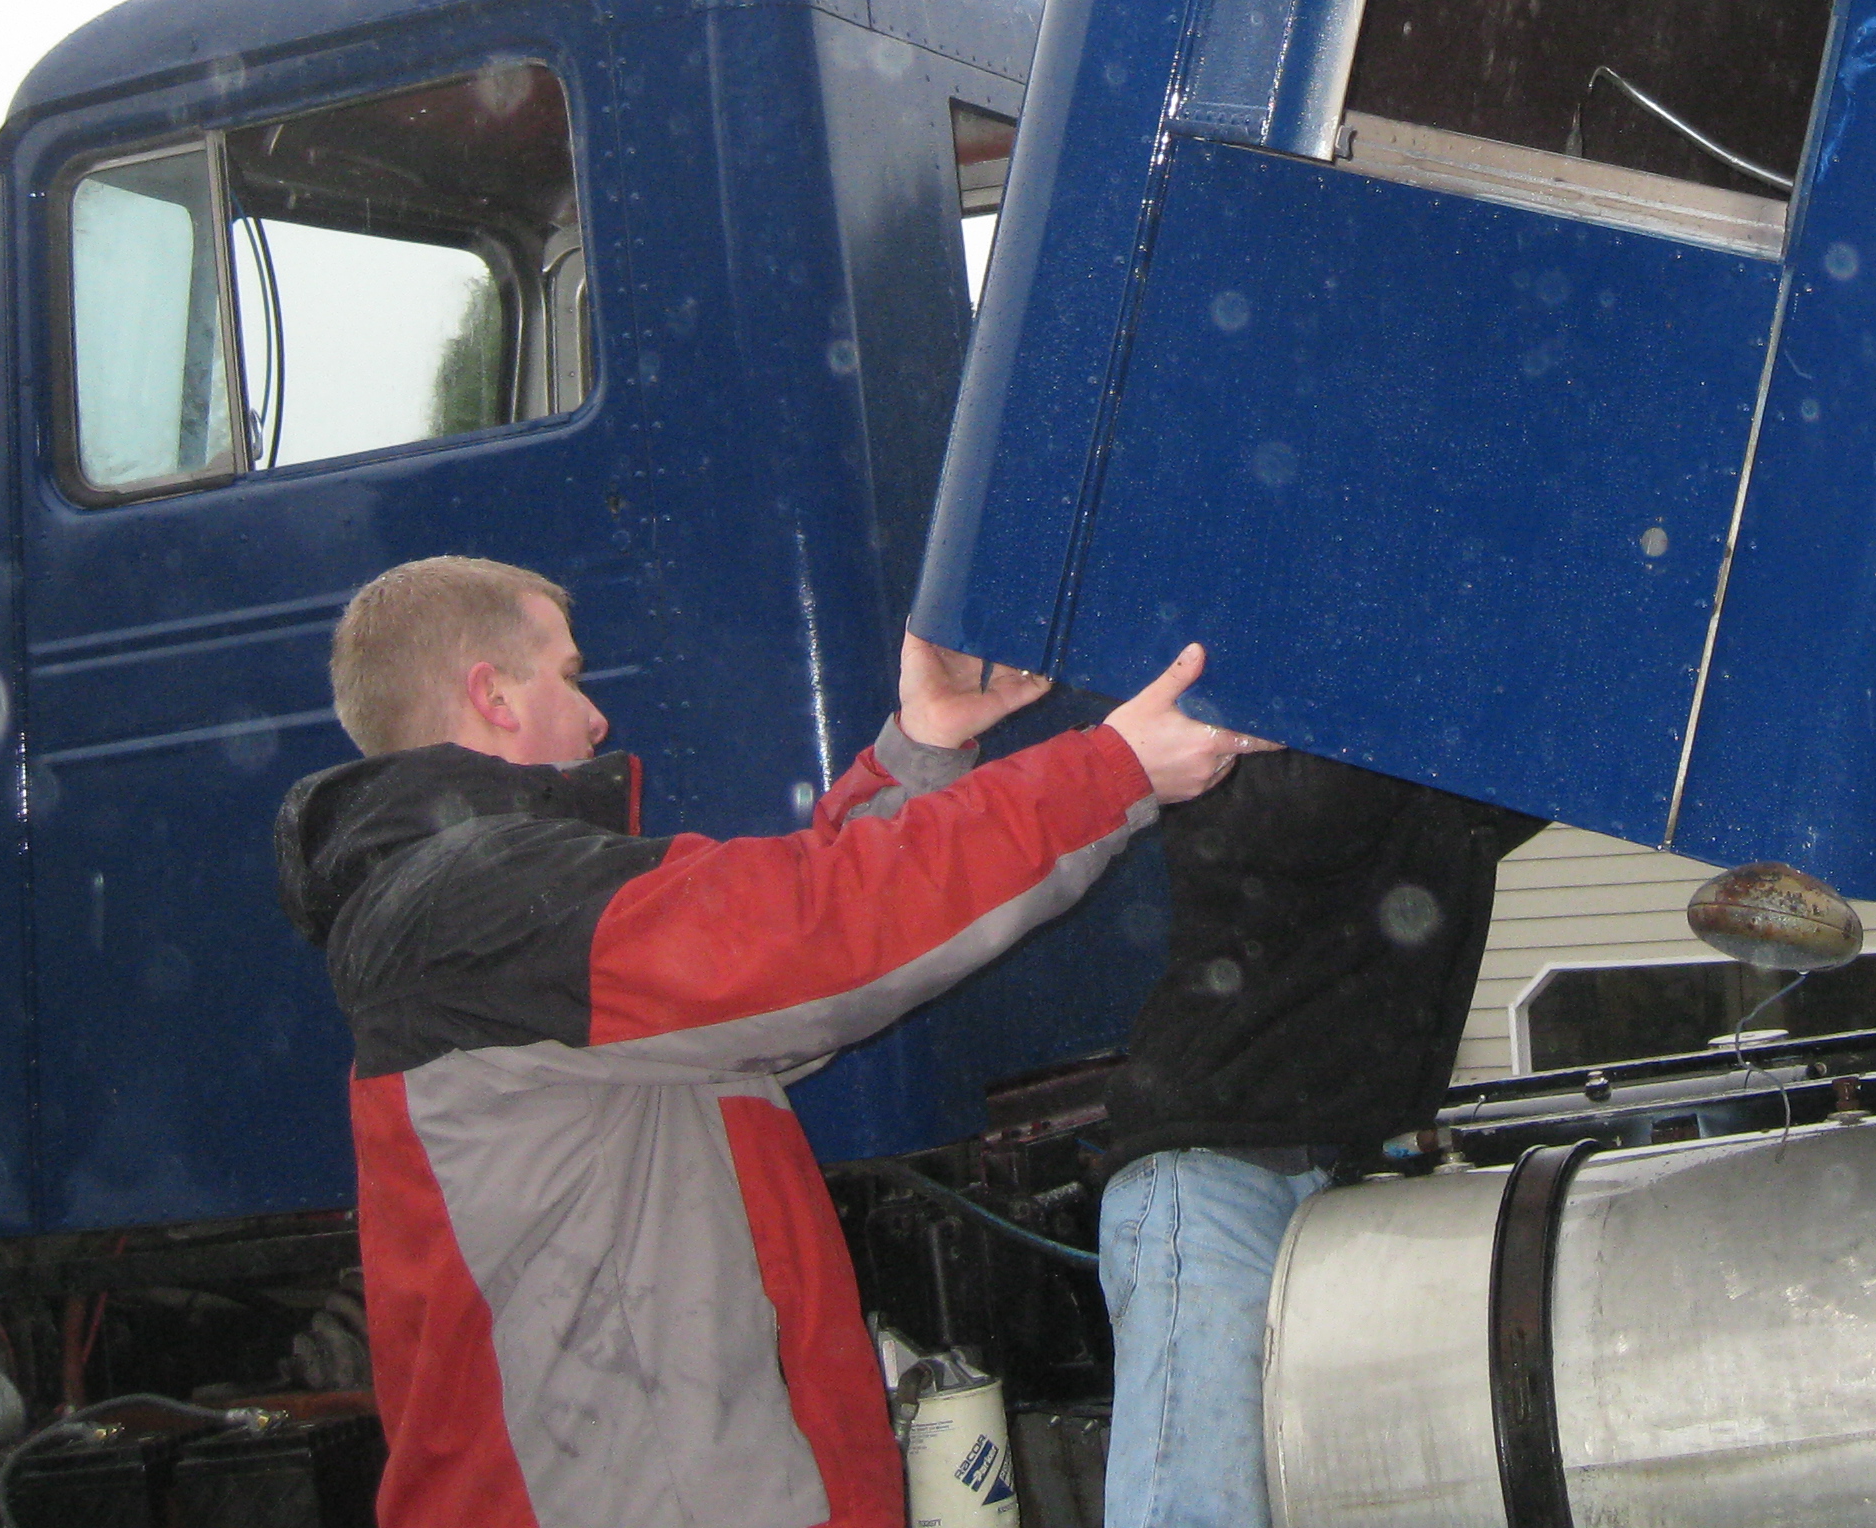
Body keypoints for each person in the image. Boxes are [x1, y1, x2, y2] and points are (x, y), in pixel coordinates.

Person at [275, 553, 1263, 1528]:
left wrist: (921, 750)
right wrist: (1107, 770)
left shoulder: (481, 913)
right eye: (570, 677)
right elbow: (812, 939)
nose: (597, 717)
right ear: (491, 696)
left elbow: (785, 975)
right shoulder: (474, 904)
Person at [1095, 753, 1542, 1528]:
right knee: (1196, 1511)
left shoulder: (1427, 774)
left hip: (1335, 1188)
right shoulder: (1270, 758)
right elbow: (1303, 815)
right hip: (1215, 1183)